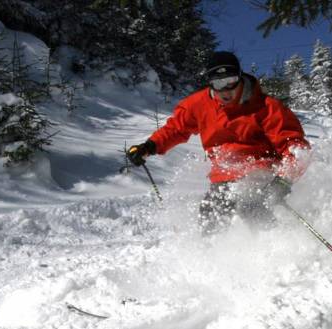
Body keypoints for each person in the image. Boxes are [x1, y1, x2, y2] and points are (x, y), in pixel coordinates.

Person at [127, 51, 310, 235]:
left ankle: (275, 248)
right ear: (209, 83)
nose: (225, 90)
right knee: (210, 214)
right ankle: (212, 255)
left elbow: (295, 147)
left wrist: (284, 181)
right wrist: (150, 146)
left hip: (261, 172)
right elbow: (176, 128)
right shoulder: (198, 105)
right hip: (224, 175)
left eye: (230, 81)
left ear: (239, 77)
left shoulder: (267, 107)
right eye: (218, 83)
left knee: (249, 205)